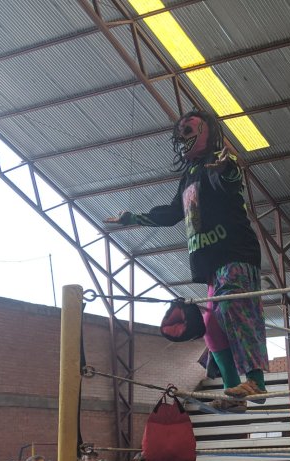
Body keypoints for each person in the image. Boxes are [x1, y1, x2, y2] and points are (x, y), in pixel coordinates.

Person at [104, 110, 268, 413]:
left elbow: (230, 181)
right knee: (210, 325)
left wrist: (226, 167)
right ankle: (234, 393)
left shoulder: (217, 162)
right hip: (211, 262)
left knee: (233, 308)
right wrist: (132, 218)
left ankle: (256, 380)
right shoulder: (190, 174)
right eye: (180, 132)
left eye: (189, 129)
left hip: (235, 251)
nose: (183, 136)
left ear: (207, 131)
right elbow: (171, 214)